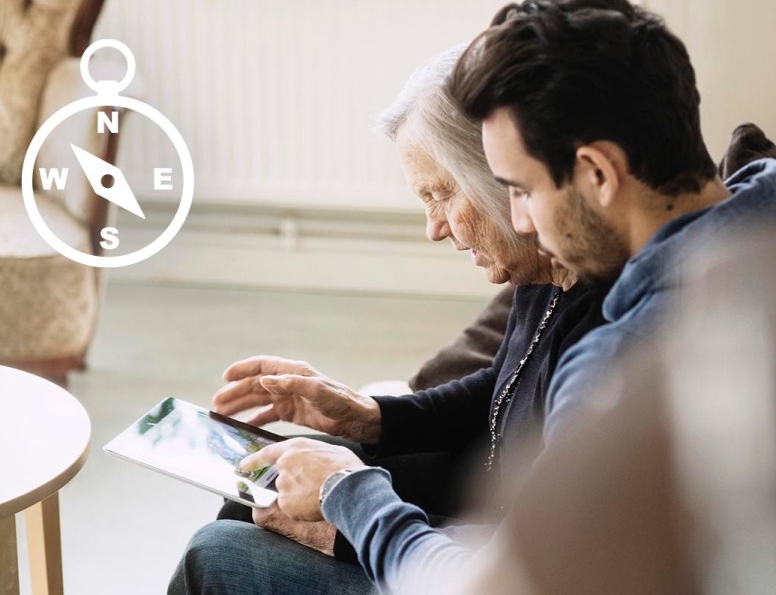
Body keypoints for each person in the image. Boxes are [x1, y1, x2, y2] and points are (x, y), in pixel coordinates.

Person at [168, 44, 610, 594]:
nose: (434, 227)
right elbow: (504, 388)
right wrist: (368, 416)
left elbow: (518, 569)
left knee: (215, 555)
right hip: (479, 520)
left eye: (441, 194)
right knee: (268, 479)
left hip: (492, 562)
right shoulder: (543, 269)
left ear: (506, 174)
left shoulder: (608, 336)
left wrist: (343, 527)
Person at [445, 0, 776, 442]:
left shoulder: (610, 376)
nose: (520, 221)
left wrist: (353, 489)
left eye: (524, 190)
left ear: (598, 173)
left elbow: (544, 517)